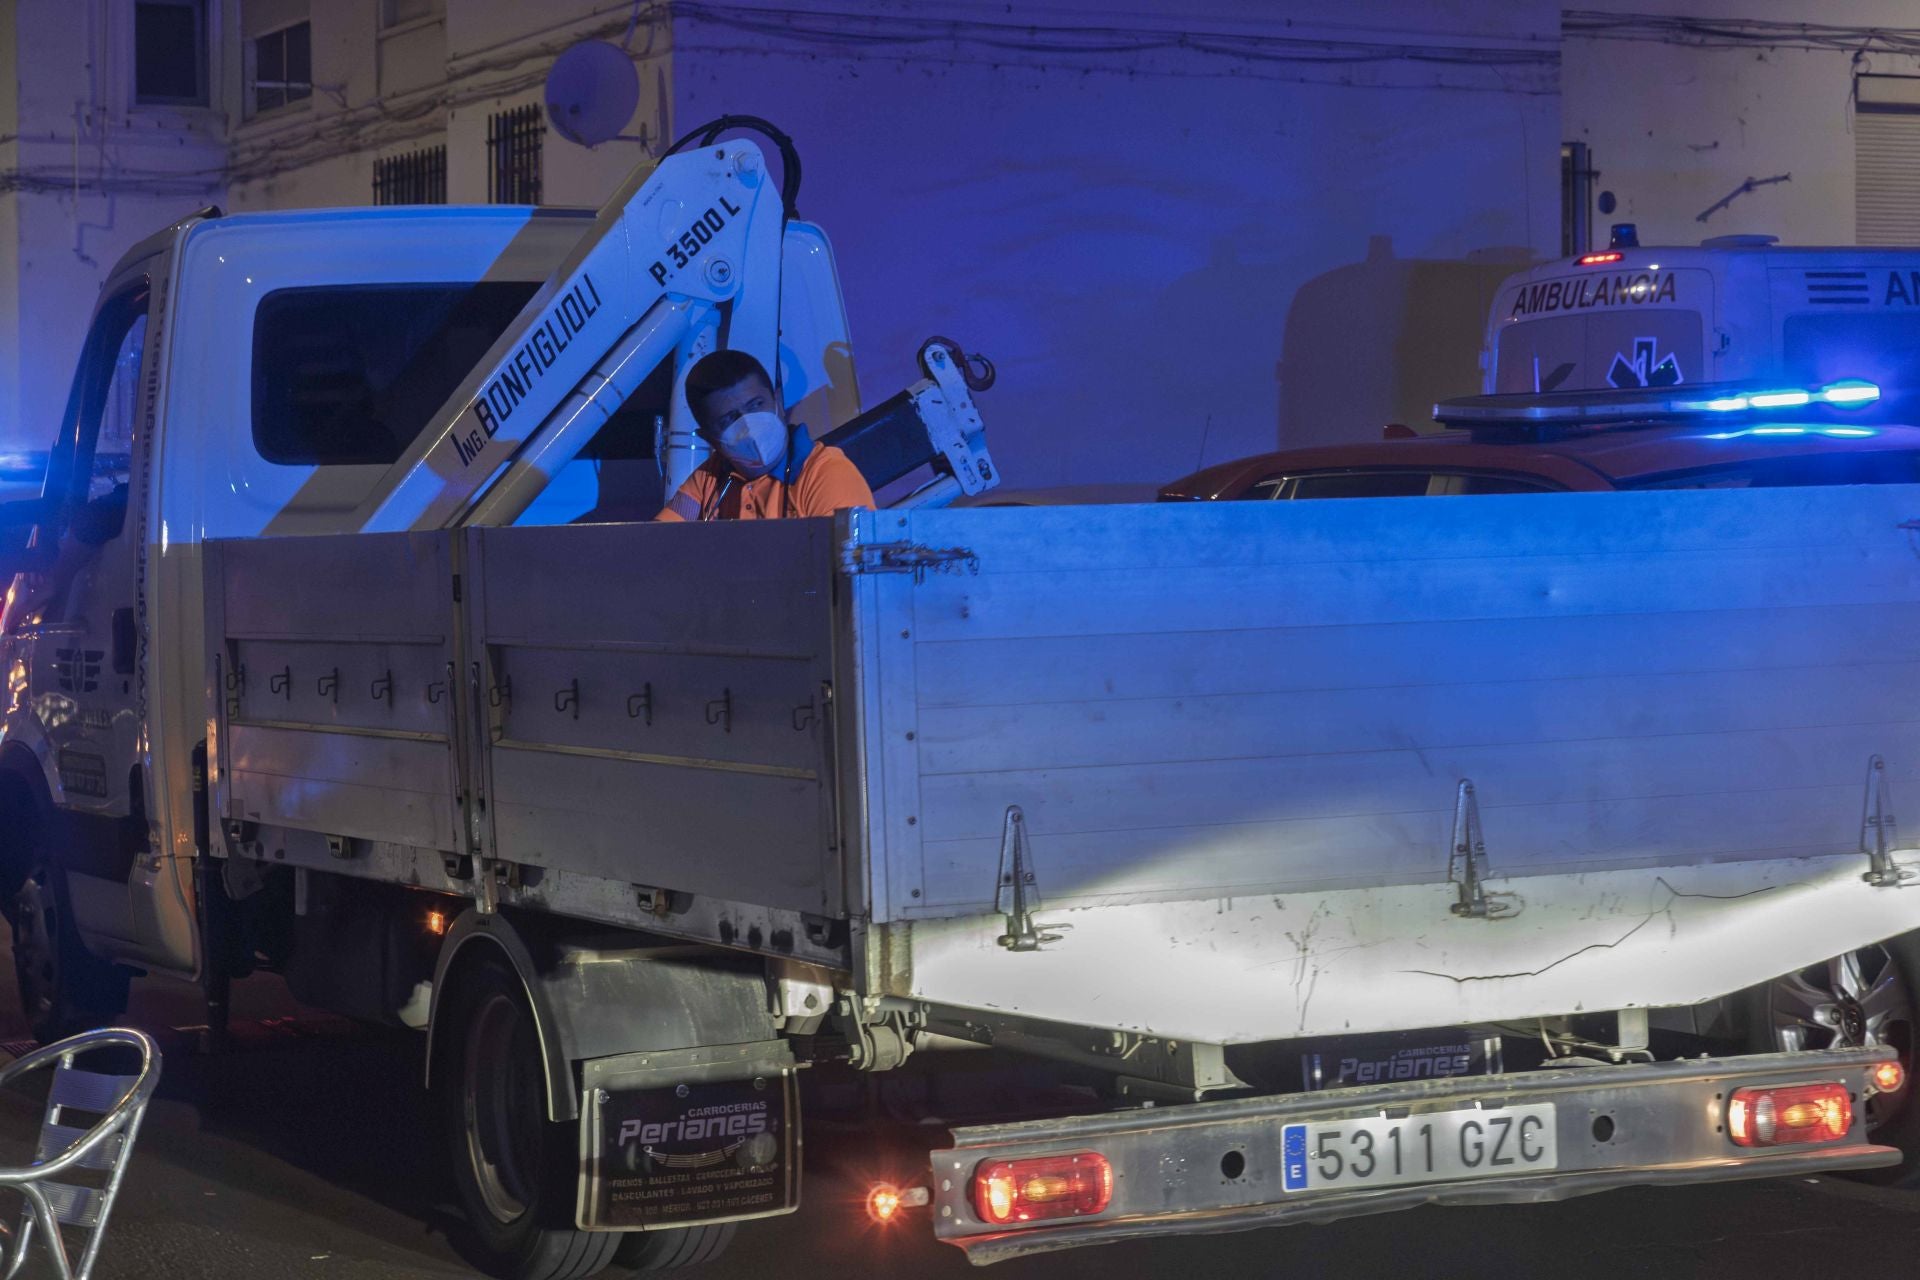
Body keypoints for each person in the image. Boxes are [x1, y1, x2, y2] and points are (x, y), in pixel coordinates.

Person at [655, 349, 873, 521]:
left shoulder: (826, 474)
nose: (749, 424)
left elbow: (843, 571)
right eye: (730, 419)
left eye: (756, 405)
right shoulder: (709, 480)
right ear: (710, 439)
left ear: (778, 400)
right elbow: (659, 542)